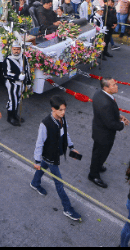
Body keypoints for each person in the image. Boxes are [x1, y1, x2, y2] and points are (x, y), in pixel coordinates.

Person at [29, 94, 83, 222]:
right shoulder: (45, 124)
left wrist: (72, 147)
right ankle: (67, 208)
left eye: (65, 109)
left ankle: (35, 183)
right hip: (50, 155)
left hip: (55, 153)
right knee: (59, 183)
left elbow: (65, 134)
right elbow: (39, 143)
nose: (63, 112)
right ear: (53, 109)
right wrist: (36, 160)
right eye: (61, 110)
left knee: (43, 166)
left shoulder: (62, 119)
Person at [88, 77, 129, 189]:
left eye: (115, 83)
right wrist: (122, 124)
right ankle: (93, 175)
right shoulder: (106, 103)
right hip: (104, 135)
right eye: (113, 85)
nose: (116, 86)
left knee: (98, 153)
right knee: (100, 154)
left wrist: (117, 116)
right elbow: (111, 124)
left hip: (98, 129)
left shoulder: (99, 94)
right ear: (106, 87)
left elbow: (106, 115)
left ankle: (97, 166)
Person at [2, 41, 29, 127]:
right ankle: (10, 117)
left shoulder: (24, 58)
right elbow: (6, 73)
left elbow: (27, 70)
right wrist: (17, 76)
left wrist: (28, 82)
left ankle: (15, 115)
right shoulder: (7, 60)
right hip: (12, 83)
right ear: (11, 50)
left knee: (18, 100)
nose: (16, 51)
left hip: (21, 83)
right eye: (14, 49)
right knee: (12, 101)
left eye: (18, 49)